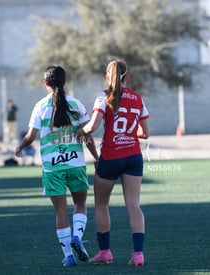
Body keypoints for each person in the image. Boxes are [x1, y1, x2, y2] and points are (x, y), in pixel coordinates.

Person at [15, 66, 98, 267]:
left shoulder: (40, 106)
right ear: (64, 82)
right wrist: (96, 156)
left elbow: (31, 135)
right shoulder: (76, 104)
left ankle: (68, 255)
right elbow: (87, 134)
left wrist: (20, 146)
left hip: (52, 167)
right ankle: (77, 237)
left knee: (60, 211)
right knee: (80, 204)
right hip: (75, 164)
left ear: (46, 84)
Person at [77, 60, 149, 266]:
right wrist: (127, 131)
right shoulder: (137, 98)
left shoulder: (103, 96)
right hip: (133, 157)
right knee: (134, 206)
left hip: (110, 157)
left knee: (101, 204)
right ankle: (138, 255)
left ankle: (105, 252)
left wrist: (81, 131)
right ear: (127, 77)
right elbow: (145, 133)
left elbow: (93, 126)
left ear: (108, 77)